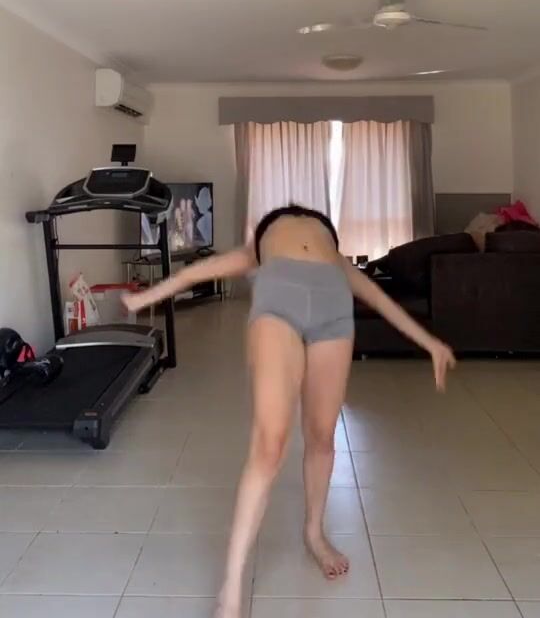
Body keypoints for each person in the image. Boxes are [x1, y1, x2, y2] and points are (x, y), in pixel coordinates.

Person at [122, 204, 456, 618]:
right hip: (277, 310)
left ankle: (314, 533)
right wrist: (144, 298)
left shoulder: (336, 261)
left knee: (322, 437)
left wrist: (429, 342)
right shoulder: (257, 250)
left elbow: (378, 299)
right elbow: (194, 273)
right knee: (269, 447)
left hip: (334, 315)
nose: (301, 221)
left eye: (311, 223)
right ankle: (232, 583)